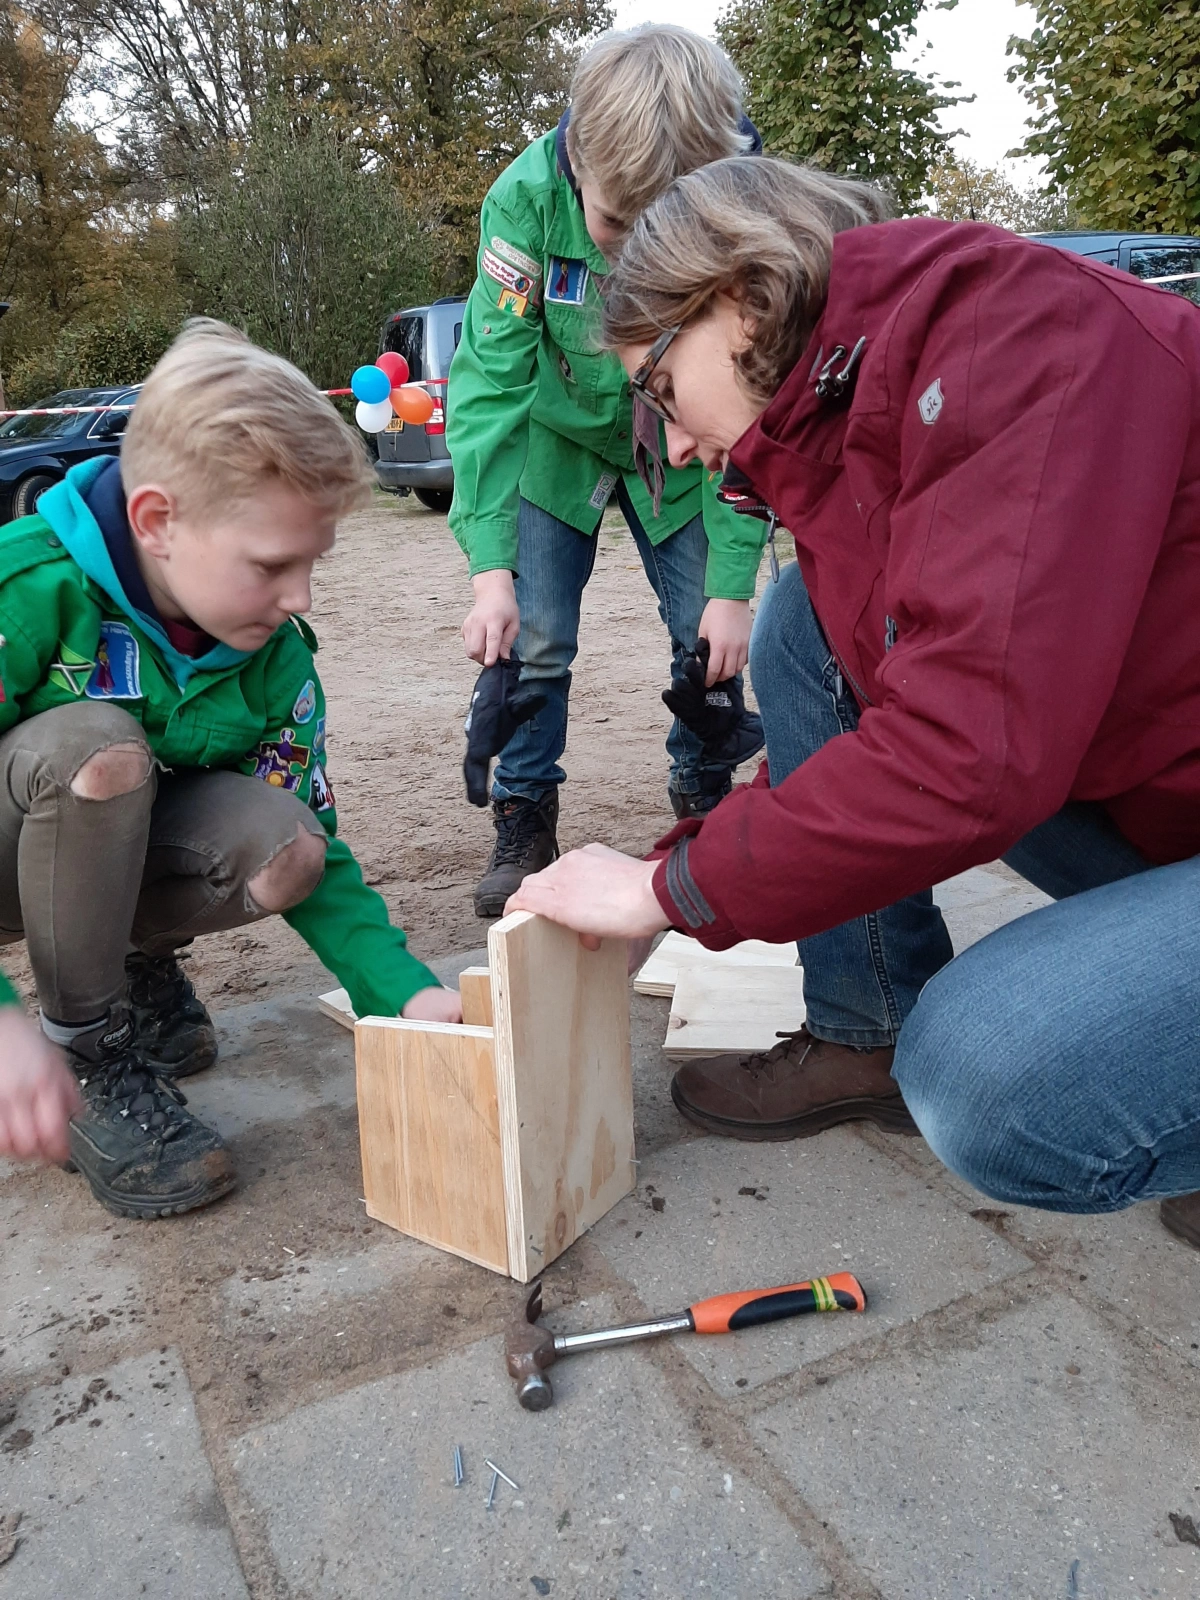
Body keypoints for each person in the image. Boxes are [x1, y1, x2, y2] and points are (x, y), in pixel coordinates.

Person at [507, 155, 1200, 1251]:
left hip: (1142, 793)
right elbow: (889, 737)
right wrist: (678, 875)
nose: (673, 445)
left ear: (736, 296)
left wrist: (669, 888)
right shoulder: (845, 427)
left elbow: (965, 758)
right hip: (1160, 792)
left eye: (658, 392)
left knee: (984, 1081)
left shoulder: (1016, 340)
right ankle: (870, 1019)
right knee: (803, 628)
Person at [0, 319, 460, 1215]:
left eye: (312, 565)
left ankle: (130, 968)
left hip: (102, 862)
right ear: (158, 521)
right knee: (97, 747)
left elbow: (314, 839)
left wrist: (402, 992)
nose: (301, 599)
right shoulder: (26, 591)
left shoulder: (273, 653)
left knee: (286, 842)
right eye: (272, 566)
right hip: (8, 862)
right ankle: (83, 1048)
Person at [447, 24, 768, 917]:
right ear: (576, 162)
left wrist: (736, 587)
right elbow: (487, 383)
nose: (636, 257)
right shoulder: (522, 201)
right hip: (558, 438)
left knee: (709, 631)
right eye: (619, 227)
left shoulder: (748, 208)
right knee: (535, 634)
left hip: (688, 436)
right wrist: (489, 571)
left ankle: (703, 791)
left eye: (665, 230)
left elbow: (754, 408)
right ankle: (526, 813)